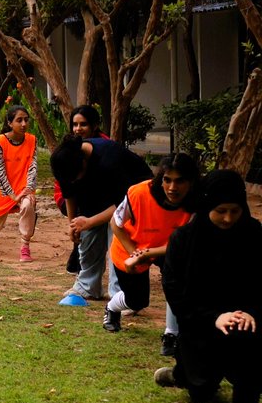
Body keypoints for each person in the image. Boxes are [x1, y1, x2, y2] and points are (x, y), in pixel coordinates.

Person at [157, 170, 262, 403]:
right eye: (220, 211)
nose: (228, 218)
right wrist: (214, 317)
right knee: (201, 392)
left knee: (250, 342)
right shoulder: (183, 240)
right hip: (200, 321)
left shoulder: (254, 235)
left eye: (235, 211)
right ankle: (182, 374)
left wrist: (251, 312)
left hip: (243, 319)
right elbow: (174, 290)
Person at [104, 153, 199, 337]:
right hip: (131, 246)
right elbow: (115, 224)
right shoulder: (139, 193)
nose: (172, 188)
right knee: (137, 301)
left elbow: (185, 242)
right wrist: (134, 253)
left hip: (169, 248)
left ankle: (171, 334)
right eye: (167, 180)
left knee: (177, 285)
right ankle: (112, 308)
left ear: (191, 182)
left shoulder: (196, 203)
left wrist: (147, 254)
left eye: (180, 181)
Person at [51, 131, 152, 300]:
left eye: (75, 178)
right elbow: (69, 195)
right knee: (87, 236)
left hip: (133, 200)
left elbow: (123, 205)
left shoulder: (109, 160)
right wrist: (74, 225)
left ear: (84, 162)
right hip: (98, 196)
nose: (73, 182)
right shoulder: (64, 162)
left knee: (117, 239)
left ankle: (121, 294)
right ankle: (87, 287)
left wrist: (90, 221)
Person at [0, 104, 38, 261]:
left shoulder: (32, 140)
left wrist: (28, 190)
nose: (24, 124)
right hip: (2, 191)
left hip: (23, 188)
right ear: (9, 123)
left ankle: (25, 246)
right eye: (19, 120)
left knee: (28, 205)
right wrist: (13, 196)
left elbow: (33, 168)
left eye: (26, 120)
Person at [54, 105, 106, 274]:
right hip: (69, 198)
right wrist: (73, 225)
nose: (78, 129)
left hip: (97, 197)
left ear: (94, 125)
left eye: (83, 124)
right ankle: (80, 258)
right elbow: (65, 187)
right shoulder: (68, 147)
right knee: (84, 215)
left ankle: (84, 262)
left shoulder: (103, 146)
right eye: (75, 125)